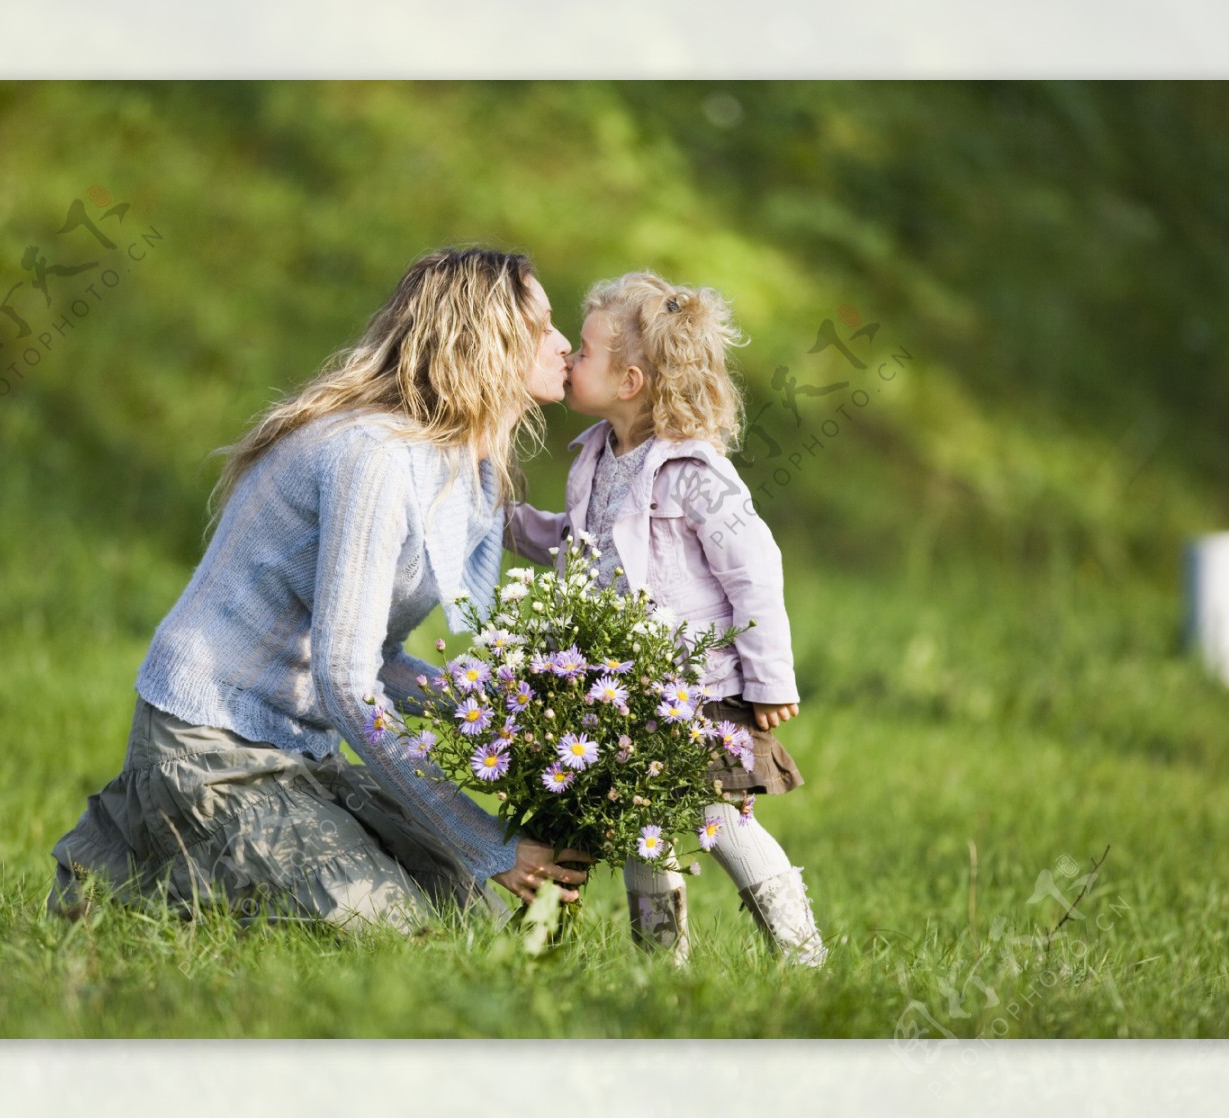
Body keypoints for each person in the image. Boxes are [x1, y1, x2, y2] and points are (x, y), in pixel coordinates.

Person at [48, 248, 591, 933]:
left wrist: (499, 716)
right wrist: (481, 838)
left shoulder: (460, 469)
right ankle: (152, 859)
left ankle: (177, 865)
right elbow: (345, 678)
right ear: (483, 340)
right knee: (395, 932)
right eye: (541, 324)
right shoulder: (378, 460)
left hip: (302, 750)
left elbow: (376, 658)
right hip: (212, 746)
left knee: (466, 918)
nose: (564, 341)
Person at [505, 270, 826, 967]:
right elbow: (579, 542)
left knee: (719, 819)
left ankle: (799, 946)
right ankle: (660, 965)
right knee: (640, 828)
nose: (568, 359)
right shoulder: (598, 456)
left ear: (630, 382)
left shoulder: (693, 472)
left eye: (583, 351)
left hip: (700, 690)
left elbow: (755, 570)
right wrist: (510, 524)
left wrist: (770, 679)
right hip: (631, 690)